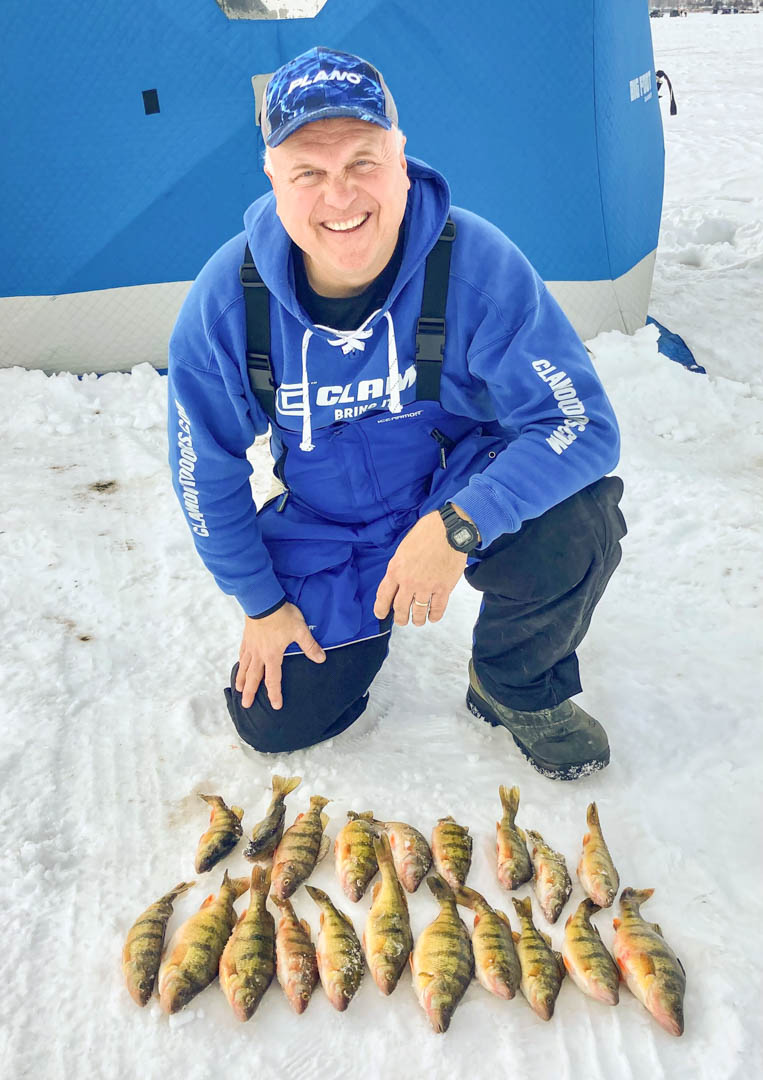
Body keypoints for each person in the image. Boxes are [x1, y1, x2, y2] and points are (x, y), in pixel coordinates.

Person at [168, 46, 627, 781]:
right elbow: (203, 471)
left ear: (401, 156)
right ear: (272, 178)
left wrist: (459, 524)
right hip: (329, 523)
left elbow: (580, 426)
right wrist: (260, 605)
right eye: (309, 173)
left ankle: (513, 683)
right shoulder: (229, 300)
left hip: (453, 485)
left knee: (579, 515)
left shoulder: (474, 261)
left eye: (362, 162)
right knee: (275, 725)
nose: (340, 198)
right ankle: (353, 618)